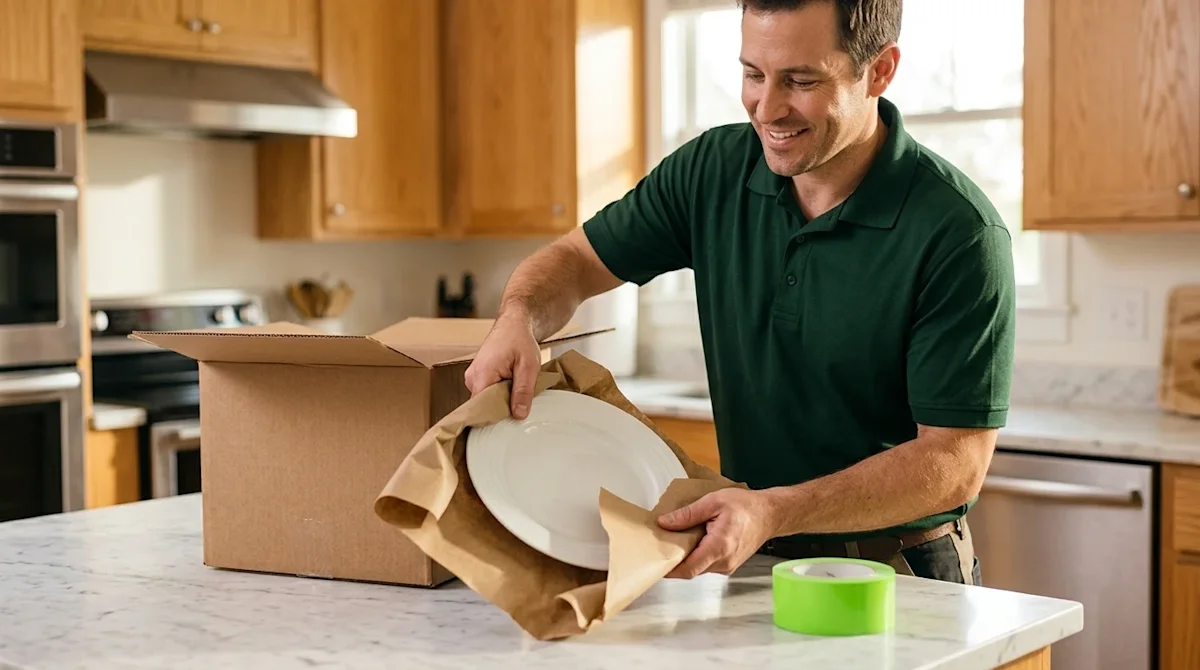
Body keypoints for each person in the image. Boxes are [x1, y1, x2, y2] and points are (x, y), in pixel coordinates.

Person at [464, 0, 1015, 585]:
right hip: (754, 554)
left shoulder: (959, 233)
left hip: (897, 568)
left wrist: (775, 510)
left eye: (801, 81)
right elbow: (575, 261)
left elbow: (954, 461)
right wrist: (518, 318)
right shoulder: (712, 171)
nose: (768, 108)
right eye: (753, 74)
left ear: (879, 71)